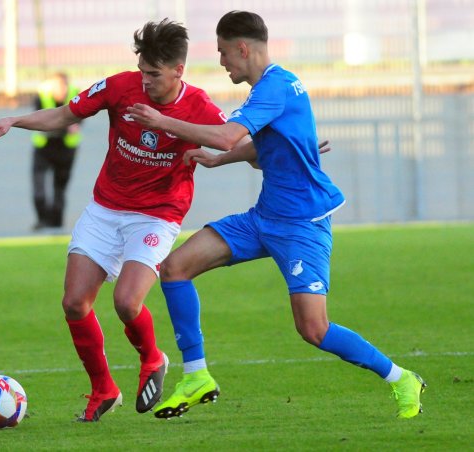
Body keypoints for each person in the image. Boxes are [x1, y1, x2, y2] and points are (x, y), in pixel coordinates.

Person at [127, 10, 426, 420]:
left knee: (313, 329)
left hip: (302, 224)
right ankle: (196, 375)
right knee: (176, 267)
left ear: (242, 48)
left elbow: (229, 135)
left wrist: (165, 121)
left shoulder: (275, 87)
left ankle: (400, 377)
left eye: (222, 52)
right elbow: (259, 147)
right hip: (264, 217)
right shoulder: (272, 87)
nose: (221, 62)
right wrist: (219, 162)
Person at [0, 19, 230, 422]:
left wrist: (166, 124)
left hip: (156, 216)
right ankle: (103, 389)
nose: (145, 81)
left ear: (178, 70)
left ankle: (152, 358)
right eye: (142, 71)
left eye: (154, 74)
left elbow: (229, 137)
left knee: (127, 302)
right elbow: (64, 115)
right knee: (75, 303)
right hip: (106, 209)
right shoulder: (119, 87)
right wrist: (13, 121)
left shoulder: (198, 104)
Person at [31, 72, 82, 230]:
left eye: (63, 86)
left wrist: (72, 126)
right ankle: (42, 220)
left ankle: (56, 224)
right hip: (44, 147)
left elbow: (80, 119)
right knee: (39, 189)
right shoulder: (42, 96)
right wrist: (65, 126)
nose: (60, 89)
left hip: (66, 149)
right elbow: (39, 119)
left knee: (60, 189)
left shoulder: (76, 95)